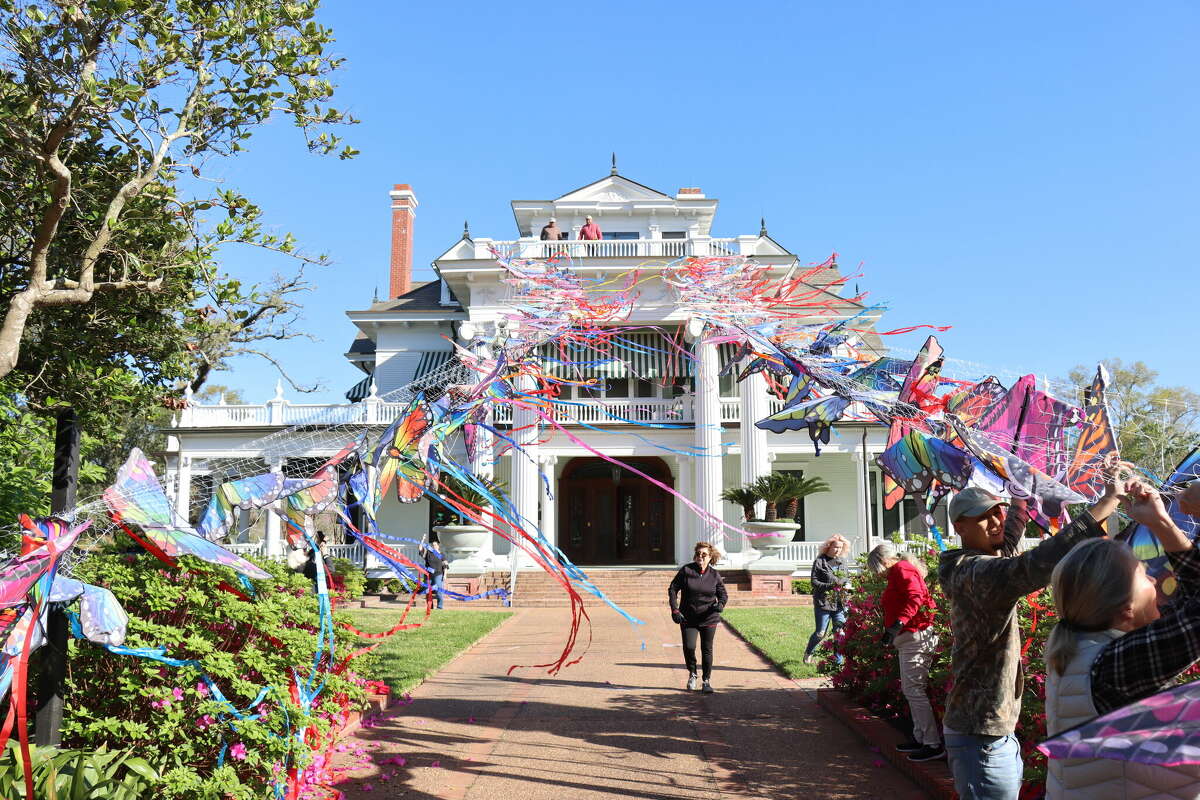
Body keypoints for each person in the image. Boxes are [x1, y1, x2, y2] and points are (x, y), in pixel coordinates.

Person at [939, 467, 1124, 800]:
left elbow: (1010, 536)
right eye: (983, 517)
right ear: (959, 527)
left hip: (990, 734)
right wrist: (1105, 503)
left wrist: (1019, 483)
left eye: (998, 511)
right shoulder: (971, 573)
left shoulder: (983, 560)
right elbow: (1032, 566)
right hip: (980, 736)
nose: (996, 521)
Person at [1043, 481, 1200, 799]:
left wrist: (1160, 523)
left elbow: (1192, 605)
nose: (1156, 579)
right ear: (1125, 609)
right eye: (1144, 574)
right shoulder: (1113, 665)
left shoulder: (1085, 647)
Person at [868, 541, 943, 762]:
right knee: (911, 691)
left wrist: (896, 625)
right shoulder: (898, 572)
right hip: (909, 637)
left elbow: (916, 597)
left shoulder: (901, 569)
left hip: (915, 635)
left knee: (914, 691)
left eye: (877, 569)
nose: (878, 575)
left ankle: (932, 744)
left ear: (883, 562)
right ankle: (920, 737)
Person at [668, 541, 728, 693]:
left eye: (704, 554)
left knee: (706, 649)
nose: (700, 557)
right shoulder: (686, 571)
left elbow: (723, 594)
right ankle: (693, 673)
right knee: (689, 647)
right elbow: (673, 589)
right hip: (688, 618)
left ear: (710, 557)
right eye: (698, 554)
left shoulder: (714, 575)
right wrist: (675, 609)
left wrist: (720, 605)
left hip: (709, 618)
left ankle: (706, 681)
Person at [804, 534, 851, 665]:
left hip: (840, 603)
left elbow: (847, 578)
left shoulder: (843, 562)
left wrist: (847, 586)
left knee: (839, 632)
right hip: (823, 603)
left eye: (840, 548)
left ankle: (838, 661)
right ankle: (808, 652)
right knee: (820, 633)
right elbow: (814, 582)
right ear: (829, 546)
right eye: (836, 547)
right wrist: (830, 586)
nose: (838, 550)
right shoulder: (820, 561)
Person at [420, 537, 446, 610]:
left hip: (438, 574)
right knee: (428, 591)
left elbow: (445, 565)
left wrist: (445, 575)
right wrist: (422, 539)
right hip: (428, 575)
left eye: (435, 545)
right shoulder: (428, 553)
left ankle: (440, 606)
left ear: (438, 546)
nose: (433, 546)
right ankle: (430, 606)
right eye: (432, 545)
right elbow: (420, 549)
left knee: (439, 591)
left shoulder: (441, 555)